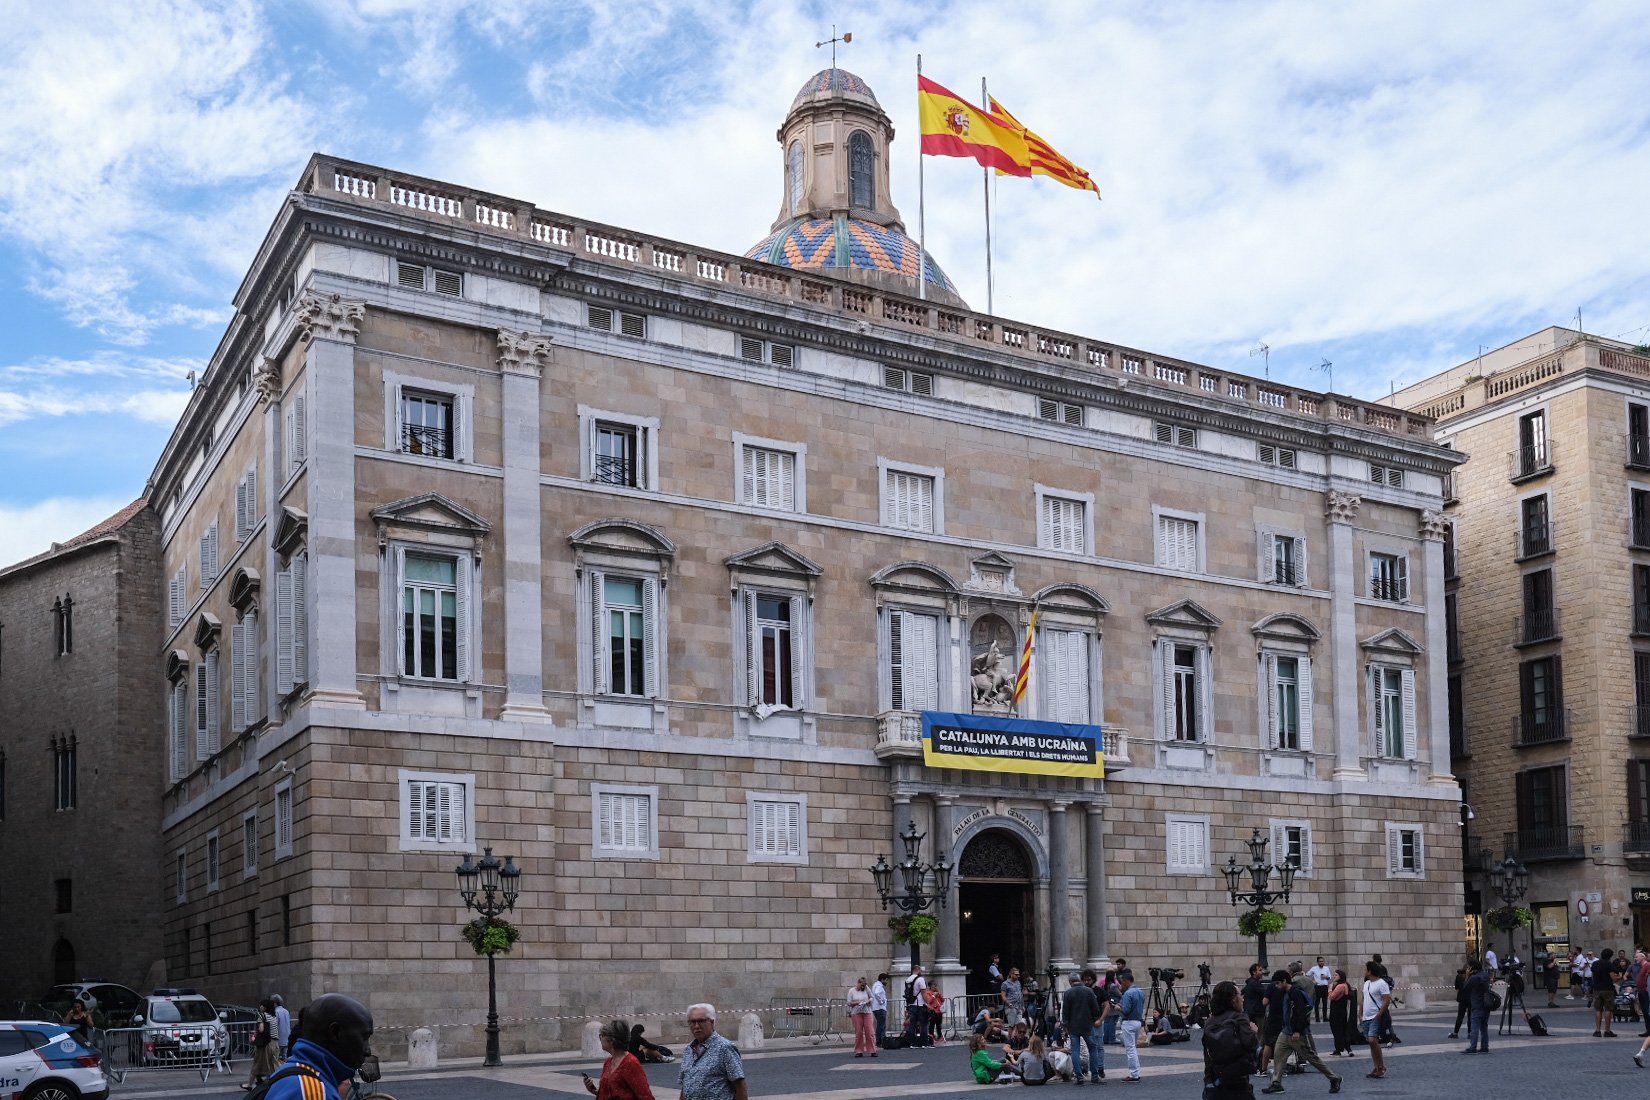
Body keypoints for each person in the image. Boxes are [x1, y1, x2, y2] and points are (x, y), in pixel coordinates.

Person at [263, 993, 375, 1100]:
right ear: (335, 1033)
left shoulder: (294, 1072)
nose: (368, 1051)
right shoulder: (314, 1093)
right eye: (364, 1037)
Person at [1262, 969, 1341, 1094]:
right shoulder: (1286, 992)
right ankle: (1276, 1083)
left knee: (1311, 1057)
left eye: (1277, 983)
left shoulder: (1295, 993)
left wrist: (1298, 1030)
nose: (1276, 986)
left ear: (1284, 981)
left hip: (1295, 1033)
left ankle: (1334, 1077)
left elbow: (1301, 1012)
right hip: (1286, 1032)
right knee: (1278, 1055)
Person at [1202, 980, 1259, 1100]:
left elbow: (1207, 1053)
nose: (1242, 999)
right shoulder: (1239, 1017)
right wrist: (1254, 1032)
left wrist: (1208, 1079)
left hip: (1216, 1077)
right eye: (1240, 995)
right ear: (1233, 999)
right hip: (1238, 1077)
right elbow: (1250, 1044)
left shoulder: (1210, 1021)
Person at [680, 1004, 747, 1100]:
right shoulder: (688, 1050)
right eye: (692, 1022)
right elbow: (685, 1086)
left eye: (701, 1021)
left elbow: (740, 1085)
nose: (696, 1026)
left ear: (712, 1022)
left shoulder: (725, 1048)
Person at [585, 1018, 657, 1100]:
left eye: (601, 1035)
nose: (600, 1039)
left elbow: (646, 1096)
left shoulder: (630, 1063)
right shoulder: (608, 1062)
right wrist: (593, 1090)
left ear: (611, 1040)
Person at [1061, 971, 1103, 1085]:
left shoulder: (1068, 993)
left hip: (1073, 1026)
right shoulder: (1088, 991)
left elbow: (1065, 1012)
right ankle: (1095, 1075)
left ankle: (1079, 1076)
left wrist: (1065, 1026)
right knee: (1093, 1049)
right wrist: (1095, 1019)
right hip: (1087, 1025)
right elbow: (1095, 1008)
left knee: (1075, 1050)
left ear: (1070, 981)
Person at [241, 997, 281, 1091]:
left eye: (261, 1005)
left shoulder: (262, 1015)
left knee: (257, 1063)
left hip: (265, 1044)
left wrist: (257, 1029)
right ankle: (276, 1082)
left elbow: (261, 1029)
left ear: (265, 1007)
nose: (260, 1007)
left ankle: (249, 1084)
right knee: (273, 1064)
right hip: (274, 1043)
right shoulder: (274, 1016)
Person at [1360, 961, 1389, 1080]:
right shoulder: (1366, 983)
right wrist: (1360, 1014)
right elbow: (1362, 1000)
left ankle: (1381, 1066)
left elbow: (1387, 1000)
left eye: (1366, 969)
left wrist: (1379, 1014)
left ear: (1370, 971)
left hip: (1375, 1017)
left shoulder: (1382, 983)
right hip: (1366, 1017)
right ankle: (1377, 1067)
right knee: (1371, 1043)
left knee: (1372, 1040)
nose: (1365, 972)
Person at [1114, 969, 1144, 1083]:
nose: (1121, 984)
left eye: (1122, 982)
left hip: (1129, 1022)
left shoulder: (1128, 993)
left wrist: (1118, 1007)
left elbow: (1125, 1011)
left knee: (1130, 1049)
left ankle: (1134, 1073)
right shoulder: (1140, 991)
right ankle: (1136, 1072)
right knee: (1133, 1048)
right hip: (1137, 1021)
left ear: (1126, 981)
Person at [1460, 961, 1490, 1054]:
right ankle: (1485, 1046)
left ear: (1472, 968)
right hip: (1486, 1004)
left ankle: (1473, 1047)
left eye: (1468, 967)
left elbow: (1465, 988)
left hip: (1477, 1004)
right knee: (1484, 1026)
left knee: (1475, 1027)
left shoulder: (1474, 978)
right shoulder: (1485, 975)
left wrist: (1467, 976)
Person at [1326, 969, 1354, 1057]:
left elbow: (1331, 997)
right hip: (1341, 1011)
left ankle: (1339, 1048)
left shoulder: (1340, 986)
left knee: (1337, 1030)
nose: (1334, 977)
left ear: (1340, 976)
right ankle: (1346, 1048)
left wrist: (1330, 988)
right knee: (1342, 1029)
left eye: (1336, 975)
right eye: (1334, 975)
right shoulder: (1345, 985)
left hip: (1337, 1011)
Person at [1593, 948, 1620, 1037]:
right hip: (1607, 989)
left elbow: (1593, 975)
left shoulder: (1595, 963)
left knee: (1598, 1009)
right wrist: (1619, 977)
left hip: (1597, 988)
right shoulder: (1609, 964)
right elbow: (1614, 978)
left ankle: (1597, 1030)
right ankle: (1607, 1031)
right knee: (1608, 1009)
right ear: (1610, 956)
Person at [848, 976, 876, 1058]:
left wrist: (869, 1001)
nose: (862, 987)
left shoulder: (867, 989)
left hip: (867, 1011)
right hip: (856, 1012)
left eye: (864, 986)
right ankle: (858, 1051)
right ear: (858, 983)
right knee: (859, 1032)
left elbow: (872, 997)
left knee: (870, 1032)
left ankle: (872, 1050)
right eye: (861, 986)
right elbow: (849, 1002)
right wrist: (857, 1002)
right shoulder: (852, 991)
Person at [1308, 958, 1333, 1023]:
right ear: (1317, 962)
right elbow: (1307, 975)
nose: (1321, 962)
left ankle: (1325, 1017)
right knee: (1317, 1003)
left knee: (1325, 1002)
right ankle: (1317, 1018)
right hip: (1317, 987)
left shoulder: (1326, 968)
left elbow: (1330, 977)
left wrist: (1326, 977)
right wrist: (1312, 981)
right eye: (1320, 961)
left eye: (1322, 961)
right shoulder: (1314, 968)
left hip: (1325, 986)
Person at [1449, 963, 1470, 1040]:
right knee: (1470, 1017)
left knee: (1460, 1016)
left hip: (1462, 998)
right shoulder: (1471, 976)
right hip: (1469, 998)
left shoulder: (1459, 976)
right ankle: (1470, 1033)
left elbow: (1457, 987)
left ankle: (1455, 1033)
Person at [871, 973, 890, 1048]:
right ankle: (880, 1041)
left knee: (880, 1025)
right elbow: (876, 993)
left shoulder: (875, 985)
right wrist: (881, 1001)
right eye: (886, 980)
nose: (886, 982)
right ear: (882, 979)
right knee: (881, 1026)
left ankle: (879, 1041)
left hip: (876, 1008)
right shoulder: (879, 986)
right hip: (880, 1008)